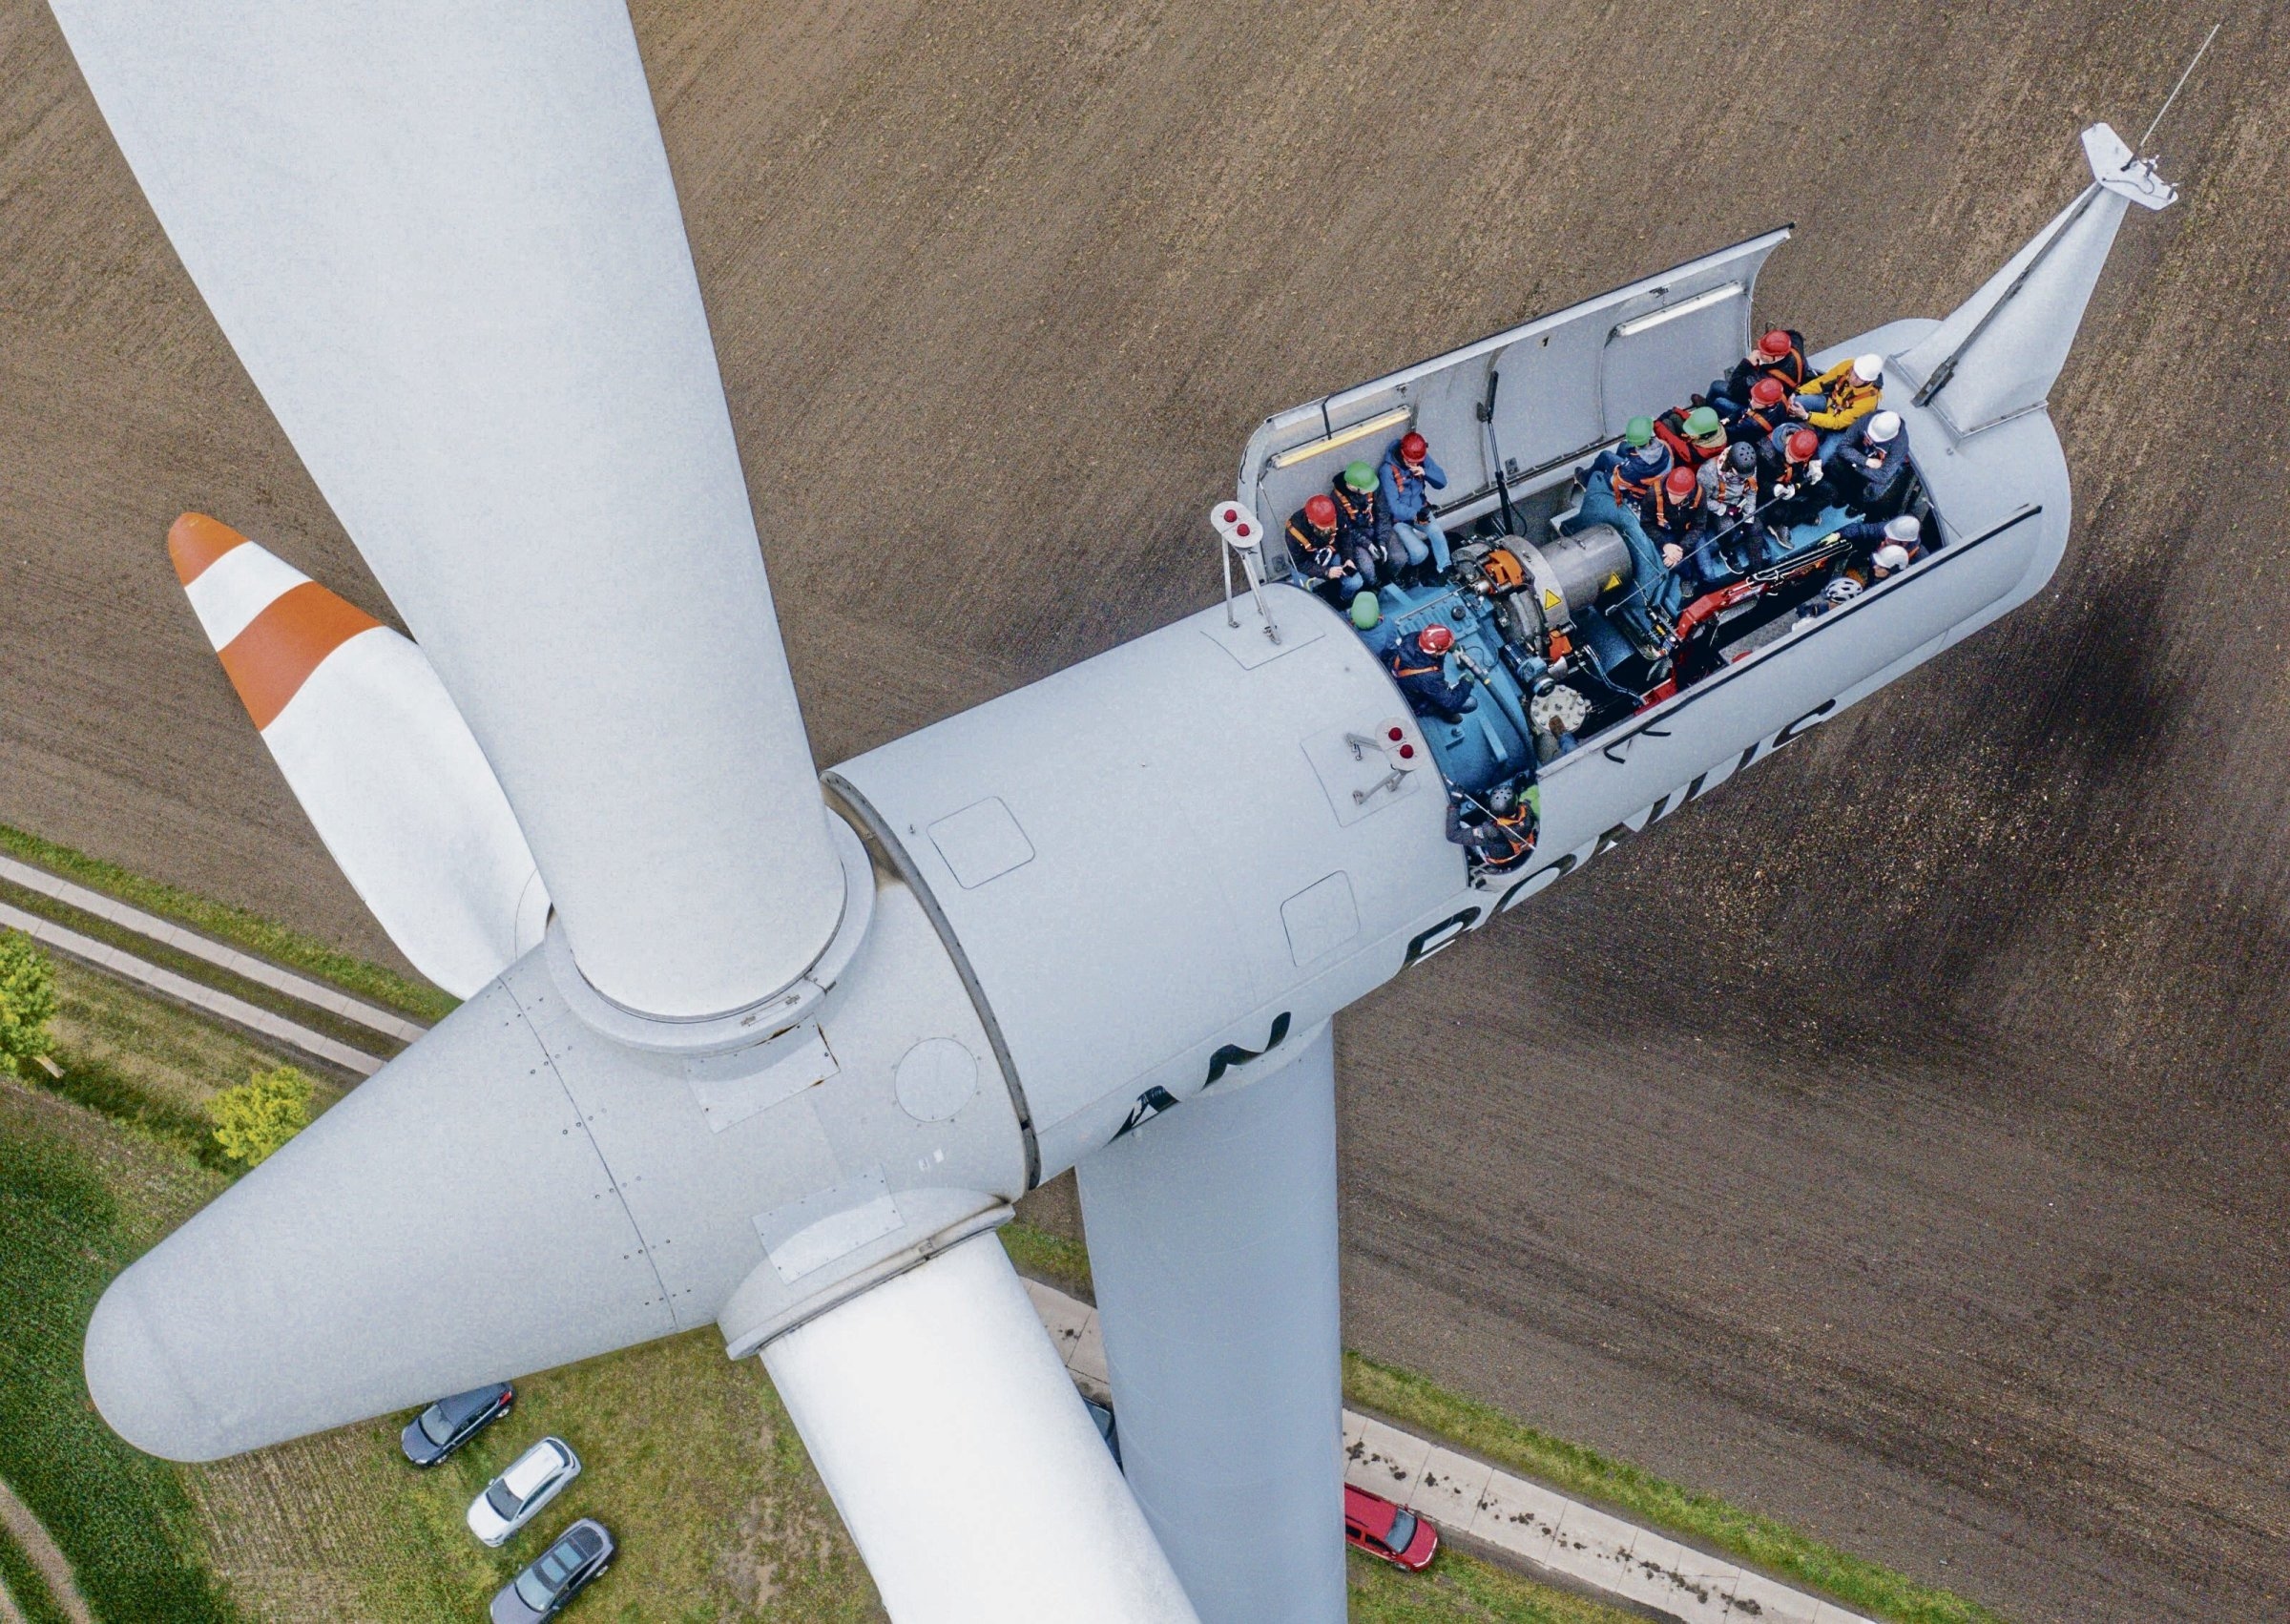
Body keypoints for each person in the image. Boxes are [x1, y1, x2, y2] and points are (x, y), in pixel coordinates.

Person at [1562, 417, 1676, 646]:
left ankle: (1584, 479)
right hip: (1655, 485)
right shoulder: (1663, 448)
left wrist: (1606, 478)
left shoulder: (1635, 467)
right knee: (1622, 451)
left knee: (1604, 461)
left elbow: (1617, 481)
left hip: (1639, 494)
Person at [1378, 431, 1450, 587]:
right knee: (1419, 552)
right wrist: (1414, 515)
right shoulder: (1387, 471)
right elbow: (1393, 506)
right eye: (1410, 462)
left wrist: (1426, 473)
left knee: (1436, 532)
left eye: (1418, 462)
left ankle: (1444, 568)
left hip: (1421, 509)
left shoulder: (1421, 460)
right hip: (1401, 520)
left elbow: (1442, 482)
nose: (1414, 465)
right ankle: (1409, 568)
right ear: (1402, 454)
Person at [1645, 464, 1724, 593]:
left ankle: (1707, 592)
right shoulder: (1653, 494)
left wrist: (1681, 548)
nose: (1672, 498)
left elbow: (1699, 526)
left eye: (1678, 495)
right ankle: (1687, 577)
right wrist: (1665, 545)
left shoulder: (1699, 494)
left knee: (1708, 573)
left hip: (1690, 532)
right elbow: (1646, 523)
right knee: (1673, 563)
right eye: (1670, 493)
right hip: (1667, 533)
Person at [1388, 622, 1476, 723]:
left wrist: (1452, 646)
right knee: (1470, 703)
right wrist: (1467, 682)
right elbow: (1451, 702)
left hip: (1399, 674)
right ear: (1436, 652)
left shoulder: (1413, 637)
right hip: (1413, 699)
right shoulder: (1428, 678)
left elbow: (1433, 648)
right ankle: (1443, 713)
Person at [1709, 326, 1812, 412]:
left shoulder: (1766, 379)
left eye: (1765, 353)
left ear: (1776, 357)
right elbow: (1795, 334)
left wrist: (1747, 363)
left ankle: (1708, 407)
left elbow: (1734, 388)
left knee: (1716, 388)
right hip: (1787, 390)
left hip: (1762, 404)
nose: (1759, 352)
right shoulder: (1795, 344)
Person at [1830, 410, 1910, 517]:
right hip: (1866, 457)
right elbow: (1843, 447)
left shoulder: (1900, 446)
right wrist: (1866, 461)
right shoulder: (1866, 420)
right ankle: (1845, 495)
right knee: (1841, 469)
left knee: (1873, 490)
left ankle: (1857, 504)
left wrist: (1857, 466)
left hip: (1884, 467)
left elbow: (1883, 476)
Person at [1698, 442, 1766, 569]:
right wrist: (1724, 509)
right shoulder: (1707, 472)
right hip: (1719, 507)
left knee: (1755, 526)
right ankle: (1726, 551)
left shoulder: (1749, 467)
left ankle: (1757, 567)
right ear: (1730, 464)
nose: (1744, 477)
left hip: (1740, 502)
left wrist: (1748, 515)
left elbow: (1752, 491)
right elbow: (1702, 500)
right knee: (1726, 527)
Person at [1446, 783, 1536, 878]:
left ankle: (1477, 857)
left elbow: (1452, 835)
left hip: (1500, 862)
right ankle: (1484, 801)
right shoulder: (1527, 810)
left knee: (1463, 824)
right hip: (1522, 855)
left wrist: (1455, 803)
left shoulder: (1490, 832)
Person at [1285, 493, 1362, 602]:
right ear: (1311, 521)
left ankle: (1344, 599)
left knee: (1355, 582)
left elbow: (1345, 536)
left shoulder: (1335, 513)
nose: (1329, 528)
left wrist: (1348, 558)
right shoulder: (1294, 531)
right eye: (1324, 526)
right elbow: (1299, 563)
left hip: (1331, 554)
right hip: (1306, 563)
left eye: (1330, 524)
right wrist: (1325, 572)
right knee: (1305, 595)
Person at [1797, 353, 1884, 446]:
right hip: (1830, 404)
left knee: (1824, 456)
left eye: (1860, 378)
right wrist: (1798, 392)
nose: (1853, 379)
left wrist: (1807, 416)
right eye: (1854, 372)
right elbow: (1822, 382)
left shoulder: (1868, 402)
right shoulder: (1847, 365)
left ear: (1868, 381)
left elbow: (1837, 422)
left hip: (1842, 430)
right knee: (1797, 401)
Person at [1328, 461, 1385, 591]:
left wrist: (1382, 541)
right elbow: (1346, 531)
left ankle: (1392, 575)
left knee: (1398, 556)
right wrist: (1368, 544)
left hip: (1375, 529)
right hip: (1356, 539)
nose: (1369, 491)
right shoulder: (1336, 499)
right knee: (1367, 567)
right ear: (1353, 487)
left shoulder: (1371, 485)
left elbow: (1383, 514)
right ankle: (1373, 585)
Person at [1725, 375, 1802, 447]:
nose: (1752, 402)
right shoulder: (1780, 396)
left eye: (1757, 401)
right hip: (1765, 421)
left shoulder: (1753, 423)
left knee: (1719, 400)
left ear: (1769, 404)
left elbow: (1731, 431)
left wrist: (1727, 420)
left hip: (1746, 423)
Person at [1653, 405, 1732, 473]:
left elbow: (1673, 441)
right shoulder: (1716, 429)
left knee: (1666, 422)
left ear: (1705, 436)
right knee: (1674, 417)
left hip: (1686, 460)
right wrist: (1677, 411)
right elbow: (1696, 422)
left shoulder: (1695, 453)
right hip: (1692, 445)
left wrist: (1657, 424)